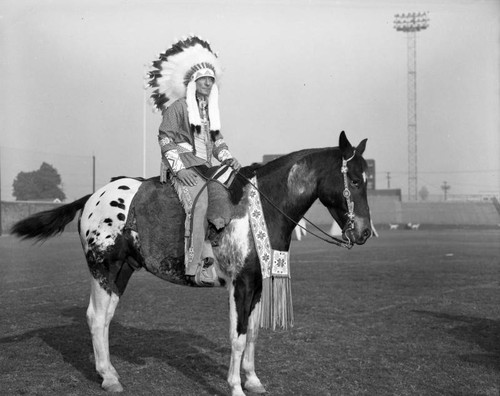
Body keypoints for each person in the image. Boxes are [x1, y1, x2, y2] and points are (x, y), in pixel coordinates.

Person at [146, 36, 240, 286]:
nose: (208, 83)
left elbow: (217, 142)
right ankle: (194, 267)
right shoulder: (178, 107)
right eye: (203, 79)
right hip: (183, 165)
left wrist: (229, 159)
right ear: (193, 82)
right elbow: (165, 138)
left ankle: (221, 258)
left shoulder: (211, 112)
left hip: (206, 167)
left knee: (229, 196)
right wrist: (179, 170)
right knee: (199, 204)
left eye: (211, 80)